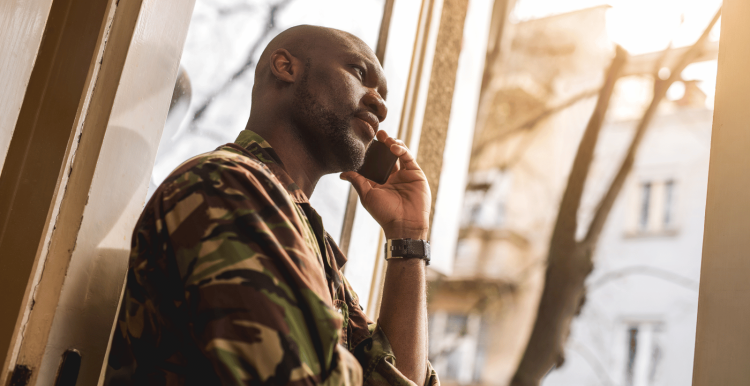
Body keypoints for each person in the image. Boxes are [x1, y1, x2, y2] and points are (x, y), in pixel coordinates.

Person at [104, 25, 438, 386]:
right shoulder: (227, 186)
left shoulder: (307, 240)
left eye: (383, 93)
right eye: (360, 73)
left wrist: (408, 238)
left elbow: (396, 380)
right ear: (285, 66)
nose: (381, 104)